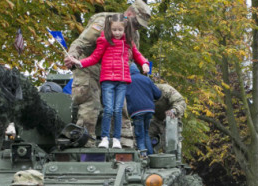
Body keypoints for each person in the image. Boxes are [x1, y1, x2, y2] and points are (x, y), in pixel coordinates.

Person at [67, 1, 151, 141]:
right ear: (129, 14)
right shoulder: (104, 23)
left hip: (113, 72)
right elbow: (81, 43)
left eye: (140, 26)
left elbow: (131, 56)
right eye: (136, 23)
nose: (137, 28)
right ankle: (86, 141)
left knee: (120, 105)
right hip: (89, 65)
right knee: (90, 103)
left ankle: (123, 141)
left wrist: (143, 64)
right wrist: (72, 57)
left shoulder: (133, 34)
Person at [125, 62, 161, 157]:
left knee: (139, 135)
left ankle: (143, 155)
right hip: (149, 110)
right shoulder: (146, 79)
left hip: (136, 110)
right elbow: (158, 94)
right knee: (145, 133)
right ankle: (150, 155)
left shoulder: (126, 81)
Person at [148, 83, 187, 153]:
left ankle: (171, 158)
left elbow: (180, 102)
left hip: (171, 119)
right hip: (156, 120)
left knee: (169, 144)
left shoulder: (165, 89)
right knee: (144, 134)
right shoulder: (142, 93)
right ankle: (146, 156)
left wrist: (173, 111)